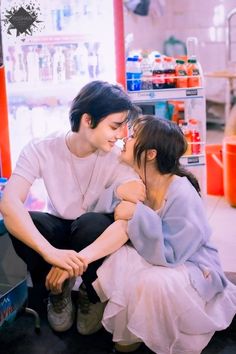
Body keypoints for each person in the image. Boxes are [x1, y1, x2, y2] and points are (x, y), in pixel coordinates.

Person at [48, 115, 236, 353]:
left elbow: (172, 255)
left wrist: (136, 214)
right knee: (118, 260)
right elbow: (101, 211)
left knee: (151, 282)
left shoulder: (182, 193)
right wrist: (120, 197)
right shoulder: (137, 182)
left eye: (134, 135)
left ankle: (148, 335)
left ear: (151, 153)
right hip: (154, 258)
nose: (126, 137)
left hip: (192, 267)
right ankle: (128, 336)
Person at [0, 80, 146, 335]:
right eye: (114, 126)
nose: (121, 135)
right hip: (58, 230)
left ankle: (90, 292)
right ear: (88, 120)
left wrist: (71, 261)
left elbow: (131, 215)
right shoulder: (42, 148)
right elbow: (9, 202)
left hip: (91, 234)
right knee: (30, 222)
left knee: (93, 223)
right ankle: (58, 292)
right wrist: (50, 253)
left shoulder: (116, 157)